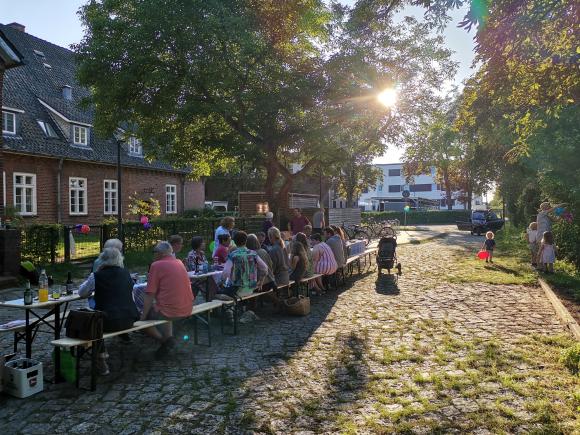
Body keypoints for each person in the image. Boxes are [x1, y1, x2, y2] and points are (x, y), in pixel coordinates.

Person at [78, 248, 139, 375]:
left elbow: (82, 293)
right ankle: (100, 357)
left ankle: (101, 359)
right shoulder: (126, 273)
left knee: (92, 321)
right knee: (97, 319)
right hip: (129, 319)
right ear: (119, 259)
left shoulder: (96, 275)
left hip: (108, 322)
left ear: (102, 260)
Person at [141, 241, 194, 358]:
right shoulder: (179, 262)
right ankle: (168, 339)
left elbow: (150, 294)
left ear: (160, 253)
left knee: (142, 322)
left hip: (170, 311)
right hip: (187, 307)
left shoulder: (156, 265)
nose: (153, 255)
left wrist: (143, 316)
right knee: (164, 305)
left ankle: (165, 341)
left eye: (154, 252)